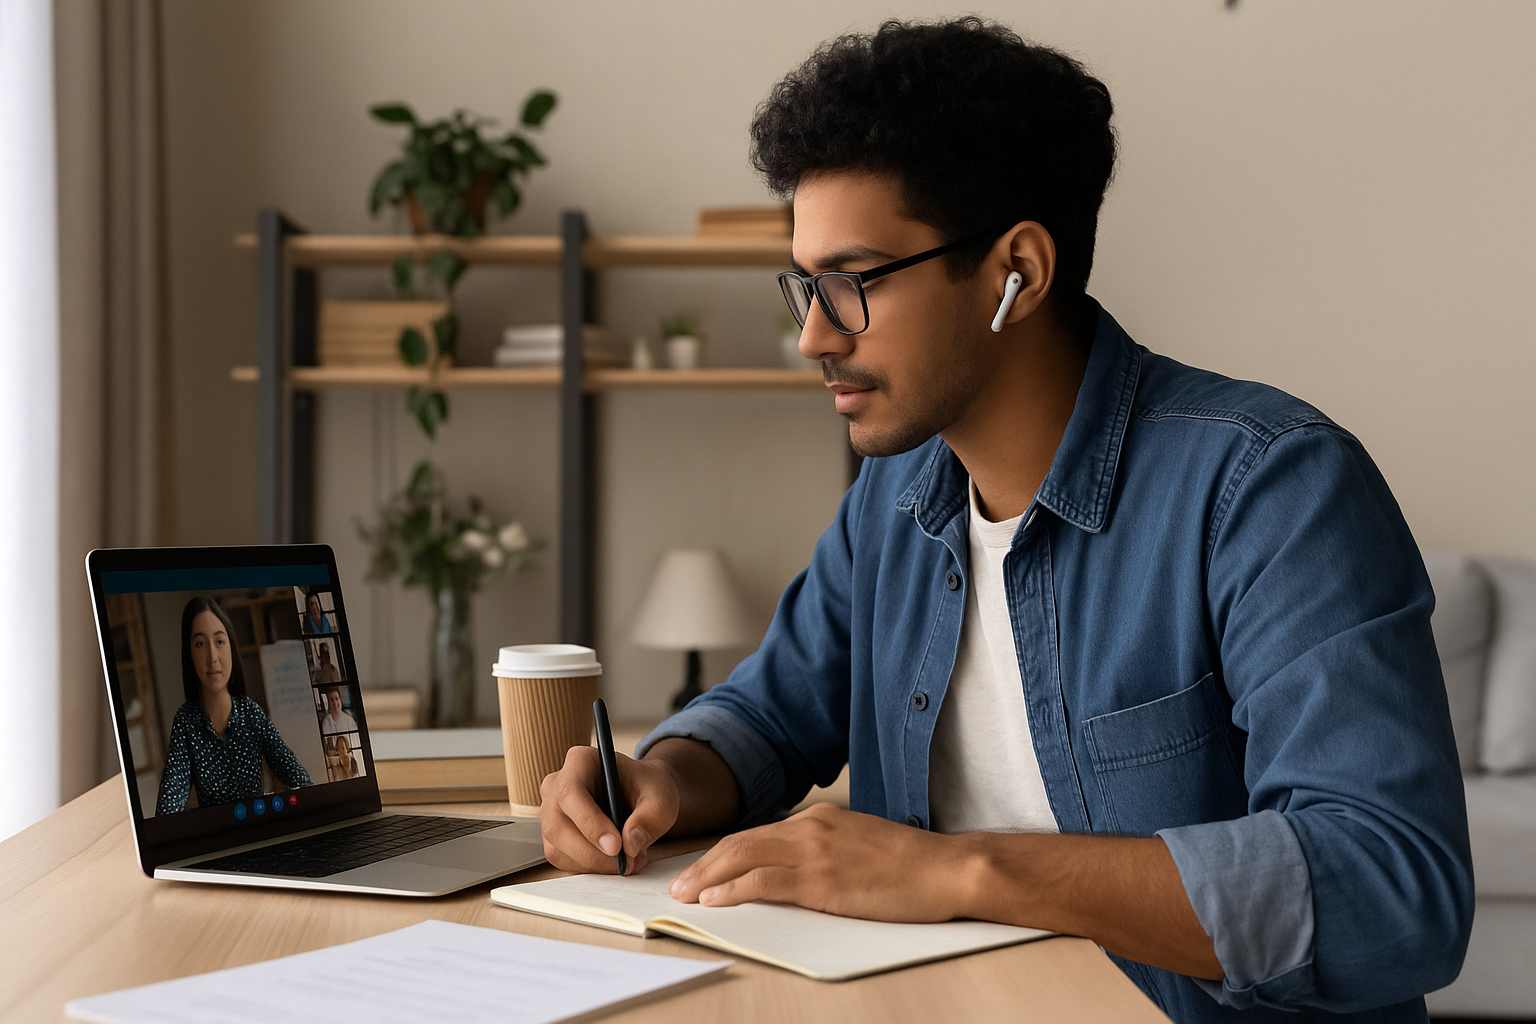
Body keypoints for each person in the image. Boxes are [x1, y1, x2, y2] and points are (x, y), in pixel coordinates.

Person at [536, 16, 1473, 1023]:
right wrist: (663, 776)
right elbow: (767, 717)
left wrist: (959, 870)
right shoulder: (891, 503)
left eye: (851, 283)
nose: (812, 335)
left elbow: (1391, 885)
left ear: (1015, 271)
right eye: (804, 285)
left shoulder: (1269, 487)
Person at [156, 596, 312, 815]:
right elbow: (168, 807)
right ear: (189, 654)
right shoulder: (186, 722)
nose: (212, 657)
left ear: (231, 647)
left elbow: (300, 779)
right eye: (200, 644)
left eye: (220, 641)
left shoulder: (250, 712)